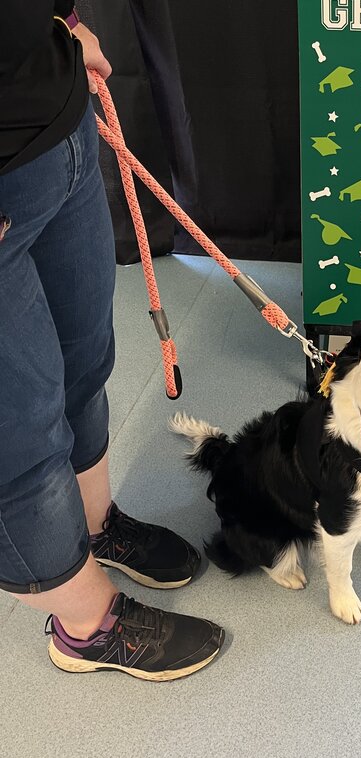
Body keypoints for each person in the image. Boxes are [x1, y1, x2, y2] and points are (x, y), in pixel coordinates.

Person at [0, 2, 224, 681]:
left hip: (53, 123)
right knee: (18, 429)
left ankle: (95, 527)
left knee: (83, 359)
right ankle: (84, 624)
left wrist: (60, 17)